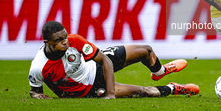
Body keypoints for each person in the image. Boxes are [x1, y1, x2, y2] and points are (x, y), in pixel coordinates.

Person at [28, 21, 199, 99]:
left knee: (145, 50)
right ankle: (173, 89)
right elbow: (35, 91)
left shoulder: (74, 41)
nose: (65, 41)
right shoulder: (38, 66)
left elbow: (104, 60)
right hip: (89, 90)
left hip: (94, 66)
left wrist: (110, 95)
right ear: (47, 42)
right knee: (144, 92)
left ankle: (159, 71)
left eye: (64, 37)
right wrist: (38, 96)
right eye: (59, 40)